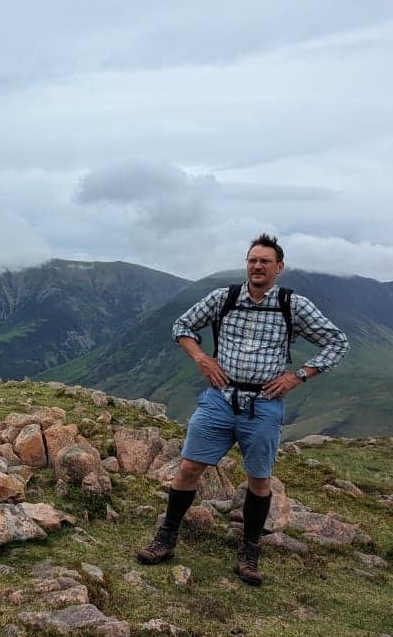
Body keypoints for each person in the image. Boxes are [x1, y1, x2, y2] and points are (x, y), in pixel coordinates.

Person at [135, 233, 349, 585]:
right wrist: (202, 358)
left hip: (264, 403)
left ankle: (249, 552)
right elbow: (181, 326)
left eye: (265, 261)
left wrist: (298, 376)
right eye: (252, 260)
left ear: (279, 268)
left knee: (259, 480)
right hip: (220, 397)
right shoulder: (225, 298)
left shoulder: (293, 305)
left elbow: (337, 342)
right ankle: (166, 537)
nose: (257, 266)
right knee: (189, 468)